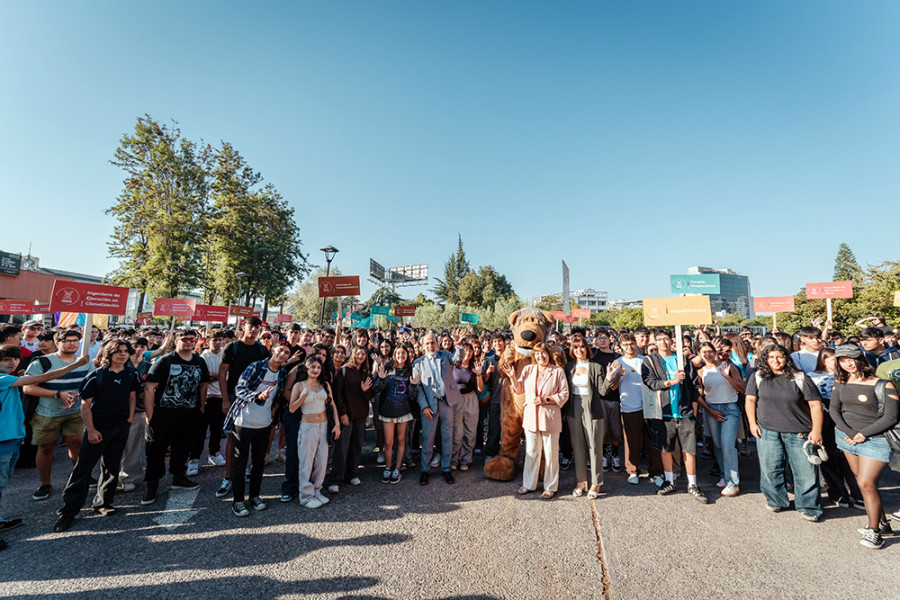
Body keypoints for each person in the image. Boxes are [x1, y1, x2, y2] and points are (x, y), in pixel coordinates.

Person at [0, 344, 89, 550]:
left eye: (14, 359)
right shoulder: (4, 379)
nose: (12, 362)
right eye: (6, 359)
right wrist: (74, 366)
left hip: (11, 438)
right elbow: (40, 379)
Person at [53, 339, 140, 532]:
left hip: (121, 426)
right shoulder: (96, 376)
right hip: (98, 428)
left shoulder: (131, 373)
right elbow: (85, 405)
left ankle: (103, 502)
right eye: (118, 351)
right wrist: (91, 430)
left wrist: (130, 418)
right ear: (108, 354)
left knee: (112, 466)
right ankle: (69, 511)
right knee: (83, 469)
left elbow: (132, 396)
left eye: (126, 351)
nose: (123, 354)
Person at [745, 343, 824, 521]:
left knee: (805, 471)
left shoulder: (800, 377)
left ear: (787, 358)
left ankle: (809, 506)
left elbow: (815, 405)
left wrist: (816, 430)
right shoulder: (758, 376)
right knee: (770, 469)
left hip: (799, 432)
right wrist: (752, 423)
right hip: (767, 431)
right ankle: (776, 500)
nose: (776, 361)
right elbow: (750, 400)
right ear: (765, 359)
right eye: (771, 357)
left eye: (779, 356)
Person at [831, 344, 899, 549]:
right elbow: (834, 411)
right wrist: (851, 434)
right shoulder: (840, 382)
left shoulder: (883, 384)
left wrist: (862, 434)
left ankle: (874, 531)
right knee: (863, 483)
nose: (848, 364)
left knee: (866, 483)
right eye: (843, 360)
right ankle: (884, 523)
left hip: (876, 441)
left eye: (851, 359)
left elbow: (891, 416)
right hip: (847, 439)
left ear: (861, 359)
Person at [23, 328, 96, 502]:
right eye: (67, 340)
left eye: (75, 340)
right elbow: (27, 387)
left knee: (76, 444)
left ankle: (81, 477)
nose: (72, 343)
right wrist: (57, 393)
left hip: (75, 412)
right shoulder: (42, 362)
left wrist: (82, 394)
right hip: (47, 414)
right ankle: (45, 484)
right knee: (46, 448)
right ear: (57, 343)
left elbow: (91, 383)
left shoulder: (85, 361)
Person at [141, 329, 209, 506]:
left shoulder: (199, 361)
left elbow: (203, 385)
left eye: (191, 339)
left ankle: (179, 477)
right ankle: (152, 483)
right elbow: (149, 387)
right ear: (176, 341)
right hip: (163, 413)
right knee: (156, 449)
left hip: (188, 414)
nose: (188, 342)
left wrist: (201, 406)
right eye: (184, 339)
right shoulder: (166, 360)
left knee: (183, 447)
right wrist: (150, 415)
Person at [641, 329, 709, 503]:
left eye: (666, 339)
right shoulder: (649, 361)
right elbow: (650, 382)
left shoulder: (683, 360)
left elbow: (694, 387)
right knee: (666, 449)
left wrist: (693, 411)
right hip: (663, 413)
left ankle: (693, 484)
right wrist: (671, 381)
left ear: (672, 341)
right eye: (660, 339)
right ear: (655, 342)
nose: (664, 342)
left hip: (685, 411)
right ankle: (669, 481)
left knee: (689, 449)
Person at [224, 343, 290, 517]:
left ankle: (255, 496)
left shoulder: (282, 373)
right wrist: (257, 396)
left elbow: (277, 396)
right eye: (280, 350)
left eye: (286, 353)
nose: (283, 354)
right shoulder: (257, 366)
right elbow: (239, 389)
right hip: (244, 420)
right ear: (272, 351)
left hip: (264, 423)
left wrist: (272, 410)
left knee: (258, 462)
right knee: (241, 461)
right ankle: (238, 501)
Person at [503, 342, 568, 499]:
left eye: (543, 353)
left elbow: (564, 394)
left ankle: (551, 486)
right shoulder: (528, 369)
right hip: (532, 416)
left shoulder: (557, 371)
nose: (541, 356)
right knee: (531, 451)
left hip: (550, 417)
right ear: (534, 356)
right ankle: (529, 484)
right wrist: (512, 376)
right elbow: (519, 389)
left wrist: (547, 399)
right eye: (537, 354)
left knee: (551, 452)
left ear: (549, 354)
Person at [216, 317, 269, 499]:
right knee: (232, 438)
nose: (253, 330)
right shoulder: (232, 347)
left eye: (257, 327)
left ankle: (244, 472)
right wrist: (225, 399)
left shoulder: (262, 349)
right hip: (234, 397)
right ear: (243, 327)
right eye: (251, 327)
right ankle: (228, 477)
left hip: (255, 399)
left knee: (252, 438)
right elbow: (223, 374)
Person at [809, 347, 864, 509]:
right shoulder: (812, 377)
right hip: (824, 420)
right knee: (829, 458)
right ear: (823, 360)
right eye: (832, 358)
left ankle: (859, 494)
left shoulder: (849, 376)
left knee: (851, 458)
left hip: (847, 420)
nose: (835, 362)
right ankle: (838, 493)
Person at [564, 335, 616, 498]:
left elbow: (602, 391)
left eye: (582, 347)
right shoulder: (569, 367)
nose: (579, 350)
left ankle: (596, 482)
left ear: (587, 349)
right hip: (573, 408)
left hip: (592, 407)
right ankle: (581, 481)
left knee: (594, 446)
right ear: (572, 350)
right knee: (578, 446)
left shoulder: (595, 366)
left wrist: (609, 377)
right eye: (575, 347)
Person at [412, 333, 463, 486]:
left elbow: (457, 359)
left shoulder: (445, 355)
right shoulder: (417, 363)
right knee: (428, 439)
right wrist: (424, 406)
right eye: (427, 343)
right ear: (423, 346)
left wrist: (458, 344)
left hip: (446, 403)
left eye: (433, 342)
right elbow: (418, 388)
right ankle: (425, 470)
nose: (430, 345)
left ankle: (446, 469)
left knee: (448, 436)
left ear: (437, 343)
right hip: (429, 406)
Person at [289, 357, 339, 508]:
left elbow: (332, 404)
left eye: (318, 367)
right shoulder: (299, 385)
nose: (315, 370)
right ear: (306, 368)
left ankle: (317, 490)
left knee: (321, 461)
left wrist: (336, 423)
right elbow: (292, 408)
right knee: (306, 461)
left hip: (323, 426)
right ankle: (305, 496)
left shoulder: (325, 385)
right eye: (312, 367)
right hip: (308, 426)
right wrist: (304, 394)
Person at [697, 342, 744, 497]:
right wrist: (710, 411)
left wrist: (726, 376)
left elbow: (742, 389)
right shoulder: (701, 371)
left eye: (710, 351)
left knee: (727, 444)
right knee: (717, 444)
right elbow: (699, 395)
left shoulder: (728, 367)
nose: (708, 354)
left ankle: (733, 482)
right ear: (699, 353)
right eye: (704, 352)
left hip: (730, 409)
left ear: (715, 352)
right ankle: (724, 475)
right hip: (711, 409)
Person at [617, 333, 664, 486]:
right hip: (629, 406)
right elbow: (612, 387)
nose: (629, 347)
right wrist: (617, 376)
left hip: (650, 406)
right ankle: (632, 471)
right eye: (625, 344)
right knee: (632, 441)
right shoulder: (617, 363)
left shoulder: (646, 360)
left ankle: (656, 472)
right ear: (620, 346)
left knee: (653, 441)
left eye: (631, 344)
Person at [329, 345, 374, 493]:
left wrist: (365, 391)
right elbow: (337, 394)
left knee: (356, 446)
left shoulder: (365, 373)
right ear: (353, 354)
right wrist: (342, 413)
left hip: (360, 415)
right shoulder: (343, 370)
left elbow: (369, 396)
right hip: (346, 415)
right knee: (341, 447)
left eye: (363, 354)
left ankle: (352, 474)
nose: (360, 356)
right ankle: (336, 479)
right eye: (358, 353)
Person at [372, 346, 420, 484]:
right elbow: (377, 389)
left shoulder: (410, 371)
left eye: (403, 353)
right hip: (387, 411)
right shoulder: (386, 369)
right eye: (398, 353)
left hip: (403, 411)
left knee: (401, 441)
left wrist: (414, 386)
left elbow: (412, 396)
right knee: (388, 442)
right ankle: (388, 467)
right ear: (394, 355)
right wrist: (381, 379)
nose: (401, 355)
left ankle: (397, 469)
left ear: (407, 355)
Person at [450, 338, 484, 472]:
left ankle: (465, 459)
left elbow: (480, 388)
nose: (468, 353)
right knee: (456, 432)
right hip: (456, 400)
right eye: (466, 350)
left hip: (471, 399)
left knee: (470, 432)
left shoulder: (475, 366)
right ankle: (454, 459)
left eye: (470, 351)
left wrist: (479, 374)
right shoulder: (454, 365)